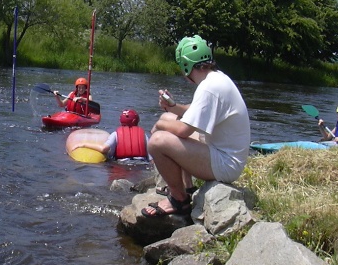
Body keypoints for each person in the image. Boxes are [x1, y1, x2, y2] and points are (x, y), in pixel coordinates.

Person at [142, 35, 250, 218]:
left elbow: (184, 130)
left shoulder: (209, 87)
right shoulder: (217, 79)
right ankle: (188, 187)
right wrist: (172, 107)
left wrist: (160, 125)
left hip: (225, 165)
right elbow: (192, 111)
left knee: (157, 141)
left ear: (186, 65)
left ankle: (178, 199)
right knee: (168, 117)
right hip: (223, 154)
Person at [74, 109, 149, 161]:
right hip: (141, 165)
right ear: (135, 121)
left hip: (122, 165)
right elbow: (152, 157)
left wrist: (83, 144)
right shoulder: (143, 135)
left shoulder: (116, 134)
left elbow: (104, 149)